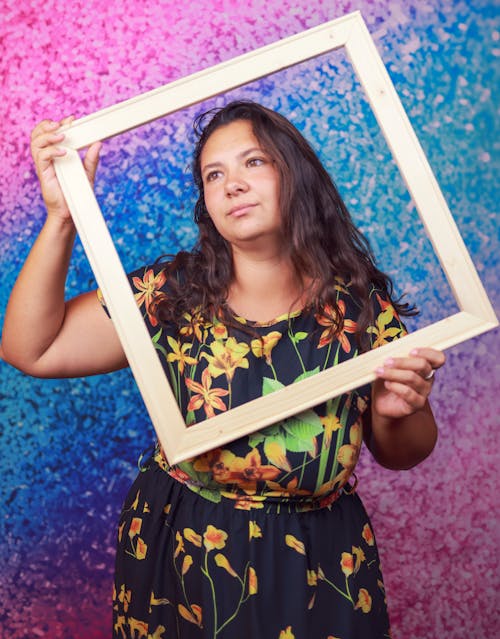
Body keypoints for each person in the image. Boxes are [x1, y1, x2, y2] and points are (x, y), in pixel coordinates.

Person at [0, 101, 445, 639]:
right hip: (184, 553)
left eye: (253, 162)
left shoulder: (359, 309)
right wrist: (63, 217)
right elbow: (33, 349)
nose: (233, 184)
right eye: (215, 173)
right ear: (206, 201)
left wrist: (402, 412)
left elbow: (404, 452)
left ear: (295, 174)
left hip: (320, 564)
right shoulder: (172, 295)